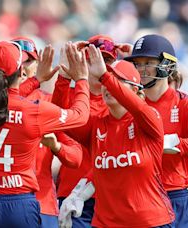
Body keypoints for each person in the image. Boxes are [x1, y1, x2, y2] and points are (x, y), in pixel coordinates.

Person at [0, 36, 83, 228]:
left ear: (37, 64)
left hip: (40, 205)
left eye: (28, 60)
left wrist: (56, 147)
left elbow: (76, 158)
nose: (25, 66)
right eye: (21, 61)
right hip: (15, 204)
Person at [54, 44, 175, 227]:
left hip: (150, 223)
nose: (108, 85)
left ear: (135, 89)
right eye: (108, 80)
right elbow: (59, 117)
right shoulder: (95, 125)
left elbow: (138, 107)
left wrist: (104, 76)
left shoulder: (149, 118)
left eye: (119, 80)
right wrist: (65, 78)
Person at [125, 34, 188, 228]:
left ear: (166, 65)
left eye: (148, 62)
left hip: (174, 194)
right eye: (137, 64)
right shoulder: (128, 107)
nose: (141, 69)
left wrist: (166, 142)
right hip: (138, 195)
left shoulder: (186, 104)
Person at [55, 35, 117, 227]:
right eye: (92, 58)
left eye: (106, 59)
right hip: (74, 192)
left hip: (111, 196)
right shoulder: (72, 95)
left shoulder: (120, 101)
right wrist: (65, 74)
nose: (99, 64)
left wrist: (136, 59)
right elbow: (54, 118)